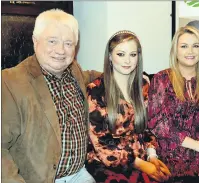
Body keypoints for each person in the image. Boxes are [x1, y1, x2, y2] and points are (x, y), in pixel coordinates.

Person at [2, 9, 101, 183]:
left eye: (68, 43)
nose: (61, 50)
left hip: (79, 174)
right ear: (35, 41)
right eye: (52, 41)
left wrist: (129, 74)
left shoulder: (74, 71)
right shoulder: (10, 82)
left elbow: (91, 74)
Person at [85, 30, 171, 182]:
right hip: (108, 164)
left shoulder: (143, 86)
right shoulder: (96, 90)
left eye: (132, 55)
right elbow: (101, 144)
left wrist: (152, 155)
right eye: (121, 54)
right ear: (110, 57)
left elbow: (147, 128)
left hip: (142, 159)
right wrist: (140, 164)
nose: (127, 61)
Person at [147, 26, 199, 178]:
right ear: (175, 50)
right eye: (184, 46)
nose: (190, 51)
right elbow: (158, 123)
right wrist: (197, 145)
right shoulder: (161, 79)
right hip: (171, 159)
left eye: (195, 46)